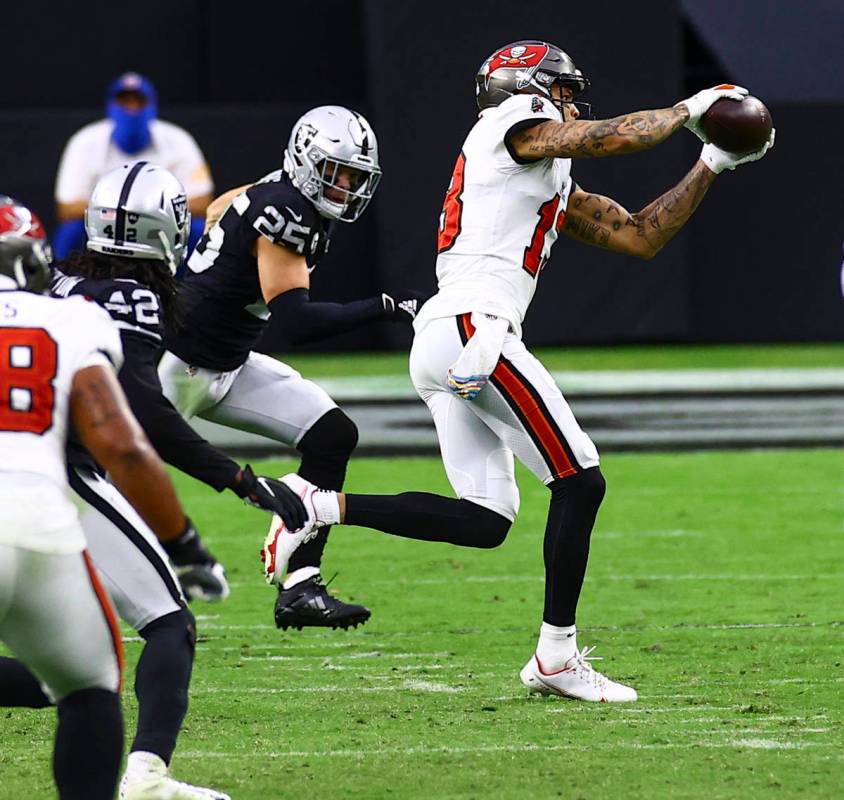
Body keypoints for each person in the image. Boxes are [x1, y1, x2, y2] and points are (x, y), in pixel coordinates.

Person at [262, 41, 775, 702]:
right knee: (580, 480)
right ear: (529, 87)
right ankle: (556, 656)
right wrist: (693, 107)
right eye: (562, 89)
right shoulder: (510, 125)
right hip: (476, 329)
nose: (569, 102)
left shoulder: (539, 175)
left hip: (447, 338)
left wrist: (712, 160)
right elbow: (610, 137)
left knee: (487, 518)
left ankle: (313, 504)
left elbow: (640, 234)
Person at [0, 168, 306, 798]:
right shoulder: (113, 304)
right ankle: (146, 776)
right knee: (162, 624)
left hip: (54, 474)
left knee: (83, 667)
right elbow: (135, 423)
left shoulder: (64, 285)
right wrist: (234, 483)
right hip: (45, 476)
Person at [158, 105, 426, 631]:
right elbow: (297, 322)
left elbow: (217, 208)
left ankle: (301, 586)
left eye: (355, 177)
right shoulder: (289, 211)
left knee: (331, 435)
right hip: (178, 368)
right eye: (338, 172)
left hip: (225, 361)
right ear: (307, 162)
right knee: (108, 480)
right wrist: (390, 306)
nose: (346, 187)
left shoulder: (275, 189)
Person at [0, 232, 179, 798]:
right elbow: (124, 443)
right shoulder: (71, 318)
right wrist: (187, 542)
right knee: (91, 685)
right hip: (37, 518)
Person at [53, 72, 213, 259]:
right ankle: (70, 285)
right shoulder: (85, 142)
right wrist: (127, 215)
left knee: (197, 228)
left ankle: (191, 287)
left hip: (159, 228)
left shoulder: (178, 140)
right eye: (124, 102)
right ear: (111, 106)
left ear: (152, 105)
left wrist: (147, 216)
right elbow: (67, 208)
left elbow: (202, 201)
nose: (132, 109)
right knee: (71, 231)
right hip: (107, 227)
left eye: (139, 102)